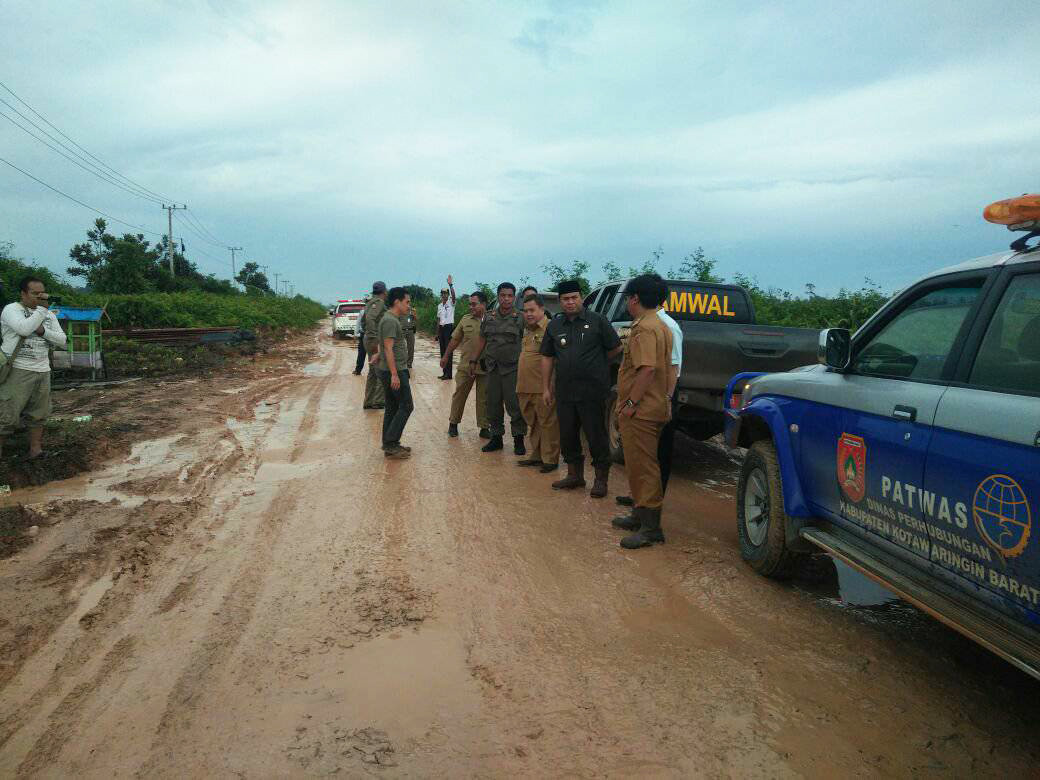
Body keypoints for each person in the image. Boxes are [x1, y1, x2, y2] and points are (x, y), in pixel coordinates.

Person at [539, 279, 622, 497]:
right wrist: (546, 388)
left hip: (593, 391)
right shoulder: (554, 326)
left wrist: (595, 365)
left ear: (582, 298)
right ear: (560, 301)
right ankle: (575, 475)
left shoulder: (598, 321)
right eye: (565, 299)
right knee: (568, 434)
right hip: (565, 391)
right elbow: (547, 357)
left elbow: (615, 348)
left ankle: (601, 480)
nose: (570, 302)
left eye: (574, 297)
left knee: (596, 435)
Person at [612, 275, 673, 548]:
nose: (627, 301)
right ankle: (640, 515)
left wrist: (630, 405)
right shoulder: (659, 325)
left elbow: (647, 369)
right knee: (638, 465)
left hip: (642, 411)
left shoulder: (645, 329)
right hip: (651, 406)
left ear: (635, 298)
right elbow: (669, 368)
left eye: (628, 297)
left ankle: (651, 529)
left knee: (644, 467)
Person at [0, 276, 67, 458]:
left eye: (41, 293)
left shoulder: (49, 315)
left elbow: (62, 340)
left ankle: (35, 451)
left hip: (42, 369)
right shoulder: (12, 310)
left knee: (39, 414)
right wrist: (41, 312)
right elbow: (23, 329)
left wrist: (43, 331)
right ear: (23, 294)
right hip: (17, 369)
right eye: (34, 293)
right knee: (7, 416)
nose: (38, 297)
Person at [474, 282, 527, 454]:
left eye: (510, 296)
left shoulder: (520, 317)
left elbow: (526, 342)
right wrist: (473, 360)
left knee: (515, 405)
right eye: (503, 295)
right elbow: (482, 339)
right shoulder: (489, 317)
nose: (506, 299)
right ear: (498, 296)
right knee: (492, 404)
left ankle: (519, 440)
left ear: (514, 297)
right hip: (493, 368)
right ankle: (496, 439)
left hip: (512, 369)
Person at [516, 293, 559, 472]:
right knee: (532, 422)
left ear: (542, 309)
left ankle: (550, 459)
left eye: (532, 310)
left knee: (548, 422)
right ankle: (537, 454)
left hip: (542, 386)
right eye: (526, 311)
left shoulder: (551, 329)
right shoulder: (528, 330)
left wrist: (550, 386)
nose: (529, 314)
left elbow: (554, 359)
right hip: (525, 386)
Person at [441, 291, 491, 438]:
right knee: (460, 395)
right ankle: (453, 424)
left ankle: (484, 427)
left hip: (485, 366)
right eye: (470, 304)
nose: (471, 307)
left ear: (483, 305)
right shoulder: (465, 320)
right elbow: (455, 340)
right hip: (466, 366)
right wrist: (445, 356)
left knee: (484, 398)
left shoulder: (492, 320)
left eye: (474, 304)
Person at [377, 287, 414, 459]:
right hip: (395, 370)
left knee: (392, 407)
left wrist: (378, 355)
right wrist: (394, 374)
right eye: (407, 302)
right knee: (406, 405)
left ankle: (389, 443)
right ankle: (391, 443)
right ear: (397, 302)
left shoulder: (390, 319)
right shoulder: (391, 320)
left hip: (391, 369)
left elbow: (384, 345)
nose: (409, 305)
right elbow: (389, 348)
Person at [362, 282, 387, 409]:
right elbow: (370, 319)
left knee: (372, 372)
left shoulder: (370, 302)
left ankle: (369, 401)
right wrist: (374, 337)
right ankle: (378, 401)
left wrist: (367, 333)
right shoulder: (379, 303)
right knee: (381, 370)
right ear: (384, 291)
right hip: (374, 340)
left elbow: (363, 321)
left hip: (368, 338)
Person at [437, 276, 457, 380]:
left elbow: (454, 296)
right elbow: (438, 319)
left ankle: (449, 374)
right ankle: (444, 372)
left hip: (449, 328)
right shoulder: (439, 306)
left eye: (445, 293)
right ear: (441, 295)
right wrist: (437, 333)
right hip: (442, 329)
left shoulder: (451, 303)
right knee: (442, 351)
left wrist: (450, 285)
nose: (444, 295)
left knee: (448, 351)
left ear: (448, 295)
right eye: (442, 293)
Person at [353, 300, 368, 375]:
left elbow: (358, 323)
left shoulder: (363, 311)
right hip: (371, 335)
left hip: (364, 335)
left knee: (361, 353)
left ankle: (358, 370)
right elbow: (358, 323)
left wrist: (355, 334)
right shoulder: (378, 311)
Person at [401, 303, 418, 370]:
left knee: (411, 347)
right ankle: (401, 362)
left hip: (410, 331)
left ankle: (409, 363)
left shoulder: (412, 310)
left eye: (408, 303)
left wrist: (414, 315)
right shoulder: (400, 310)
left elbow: (416, 320)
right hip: (402, 331)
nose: (407, 305)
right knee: (401, 347)